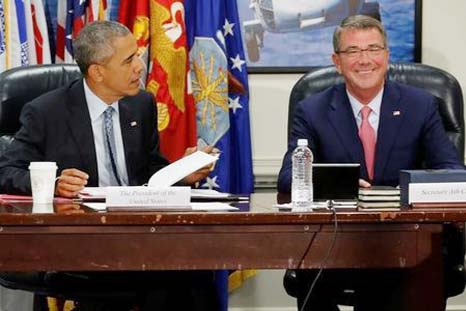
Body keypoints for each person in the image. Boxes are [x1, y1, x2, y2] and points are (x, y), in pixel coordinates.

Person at [0, 21, 217, 311]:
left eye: (137, 56)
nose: (140, 67)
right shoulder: (46, 112)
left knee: (197, 267)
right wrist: (52, 185)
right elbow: (6, 171)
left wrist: (181, 173)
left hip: (137, 231)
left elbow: (149, 173)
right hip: (82, 237)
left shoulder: (141, 104)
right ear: (97, 71)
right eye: (129, 60)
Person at [277, 15, 465, 311]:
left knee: (413, 275)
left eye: (373, 49)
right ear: (337, 61)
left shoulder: (421, 105)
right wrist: (342, 184)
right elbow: (289, 176)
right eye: (353, 51)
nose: (365, 60)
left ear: (387, 57)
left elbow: (452, 172)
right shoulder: (313, 109)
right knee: (313, 272)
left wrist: (407, 190)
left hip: (406, 237)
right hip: (338, 240)